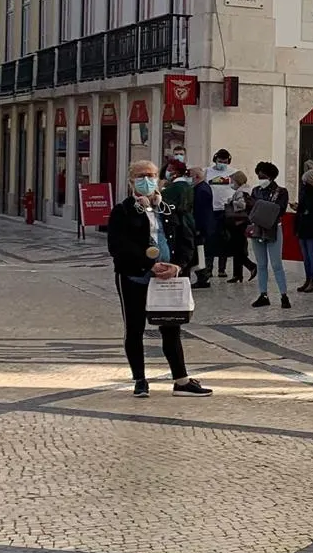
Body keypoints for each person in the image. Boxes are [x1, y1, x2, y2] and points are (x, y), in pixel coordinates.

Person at [107, 159, 211, 398]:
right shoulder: (123, 210)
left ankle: (181, 380)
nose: (148, 179)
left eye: (152, 175)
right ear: (131, 181)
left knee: (171, 327)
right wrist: (148, 265)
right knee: (134, 328)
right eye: (142, 175)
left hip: (168, 279)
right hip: (135, 276)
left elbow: (187, 240)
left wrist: (178, 266)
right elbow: (118, 246)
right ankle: (140, 380)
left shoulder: (170, 208)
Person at [246, 162, 292, 310]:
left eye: (263, 176)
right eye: (258, 175)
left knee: (277, 264)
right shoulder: (256, 190)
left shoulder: (281, 192)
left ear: (271, 177)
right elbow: (251, 209)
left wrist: (260, 207)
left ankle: (284, 295)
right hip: (258, 229)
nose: (260, 178)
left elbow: (280, 210)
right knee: (261, 264)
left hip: (274, 229)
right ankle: (263, 294)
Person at [215, 171, 256, 282]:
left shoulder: (241, 192)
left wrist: (231, 202)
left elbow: (241, 205)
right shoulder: (247, 190)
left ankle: (251, 266)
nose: (232, 183)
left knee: (236, 249)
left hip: (238, 223)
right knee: (239, 249)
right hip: (242, 223)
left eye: (233, 181)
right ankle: (237, 275)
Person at [189, 166, 215, 289]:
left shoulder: (202, 190)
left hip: (201, 226)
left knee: (199, 252)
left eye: (190, 175)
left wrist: (198, 227)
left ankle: (203, 277)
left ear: (197, 176)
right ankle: (202, 276)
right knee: (198, 252)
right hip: (201, 225)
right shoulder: (200, 188)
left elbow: (201, 211)